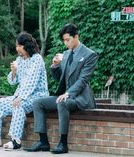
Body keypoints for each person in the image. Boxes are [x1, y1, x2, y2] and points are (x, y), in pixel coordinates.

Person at [24, 23, 99, 154]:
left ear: (76, 36)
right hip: (64, 95)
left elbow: (83, 80)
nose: (65, 43)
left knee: (62, 102)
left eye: (68, 40)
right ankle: (43, 142)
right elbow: (61, 78)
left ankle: (63, 144)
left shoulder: (89, 55)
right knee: (38, 102)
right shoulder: (65, 54)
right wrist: (55, 66)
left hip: (80, 97)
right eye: (64, 40)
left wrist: (68, 93)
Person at [0, 32, 49, 150]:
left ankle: (15, 140)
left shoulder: (37, 59)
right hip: (20, 95)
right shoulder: (20, 59)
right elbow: (12, 81)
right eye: (16, 46)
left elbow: (31, 81)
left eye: (19, 46)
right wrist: (13, 71)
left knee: (18, 105)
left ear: (27, 45)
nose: (17, 48)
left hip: (37, 95)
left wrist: (21, 97)